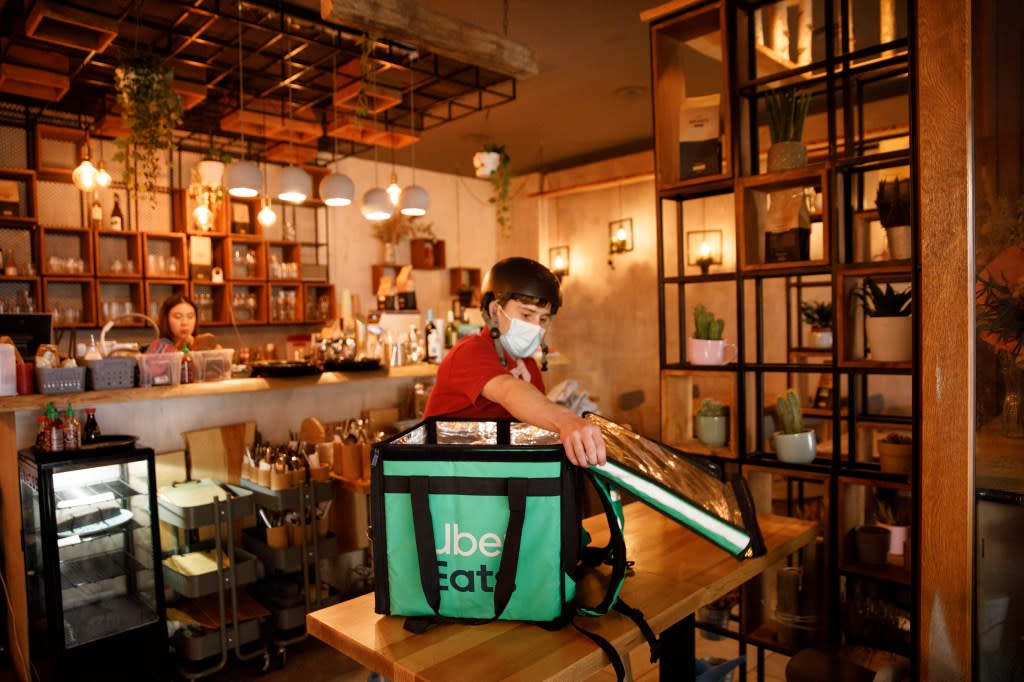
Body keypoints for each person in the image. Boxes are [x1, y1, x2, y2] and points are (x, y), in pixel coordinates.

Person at [424, 257, 606, 467]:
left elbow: (534, 419)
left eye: (543, 319)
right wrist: (567, 421)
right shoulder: (470, 351)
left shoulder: (527, 365)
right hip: (448, 475)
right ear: (494, 310)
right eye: (527, 314)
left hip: (489, 472)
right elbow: (508, 390)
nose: (536, 327)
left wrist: (597, 434)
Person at [147, 294, 217, 353]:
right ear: (166, 319)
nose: (185, 322)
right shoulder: (159, 348)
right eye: (178, 317)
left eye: (190, 316)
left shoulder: (202, 345)